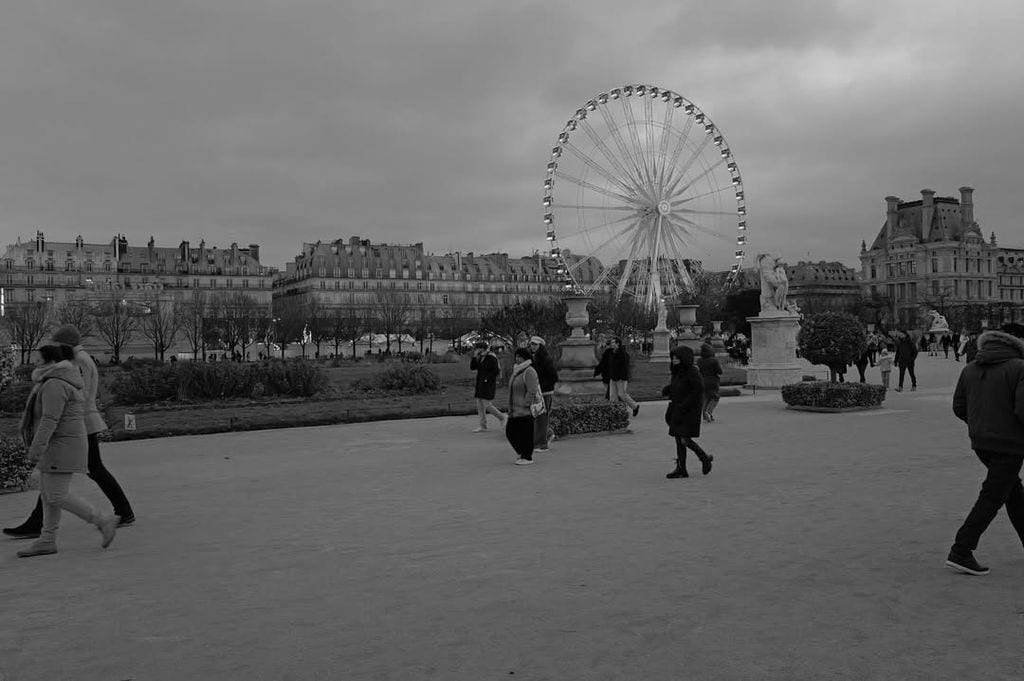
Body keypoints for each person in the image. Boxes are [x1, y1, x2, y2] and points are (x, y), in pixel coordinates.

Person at [4, 325, 135, 540]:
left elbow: (75, 395)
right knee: (76, 472)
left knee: (63, 474)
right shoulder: (80, 358)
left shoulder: (78, 361)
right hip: (82, 422)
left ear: (64, 344)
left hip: (80, 423)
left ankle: (40, 524)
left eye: (56, 344)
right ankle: (123, 511)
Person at [13, 342, 118, 557]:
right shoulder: (54, 380)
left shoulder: (55, 384)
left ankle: (102, 520)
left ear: (51, 361)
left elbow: (50, 420)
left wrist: (35, 449)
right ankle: (47, 540)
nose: (35, 362)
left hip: (62, 445)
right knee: (47, 495)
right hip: (59, 444)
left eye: (39, 358)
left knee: (57, 495)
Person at [946, 329, 1024, 575]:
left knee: (1012, 492)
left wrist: (979, 425)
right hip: (1010, 444)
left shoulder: (969, 368)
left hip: (981, 442)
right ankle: (961, 549)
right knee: (993, 496)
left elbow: (959, 406)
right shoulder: (1020, 367)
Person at [662, 346, 713, 479]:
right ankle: (681, 468)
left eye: (676, 358)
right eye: (672, 358)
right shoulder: (677, 372)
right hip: (677, 408)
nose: (673, 360)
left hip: (688, 410)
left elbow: (697, 390)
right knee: (679, 439)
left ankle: (704, 458)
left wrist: (684, 405)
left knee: (684, 439)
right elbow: (678, 386)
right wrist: (668, 389)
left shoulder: (692, 372)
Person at [506, 347, 541, 466]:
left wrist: (526, 403)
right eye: (516, 356)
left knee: (525, 434)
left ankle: (527, 456)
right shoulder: (517, 371)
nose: (517, 359)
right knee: (510, 432)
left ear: (526, 358)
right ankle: (522, 452)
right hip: (514, 409)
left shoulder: (529, 371)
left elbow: (532, 389)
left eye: (520, 357)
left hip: (524, 410)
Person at [528, 336, 558, 452]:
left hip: (545, 391)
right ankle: (546, 435)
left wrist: (541, 385)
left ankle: (543, 443)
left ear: (541, 346)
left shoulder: (546, 359)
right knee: (537, 416)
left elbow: (553, 377)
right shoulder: (532, 359)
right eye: (531, 344)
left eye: (535, 344)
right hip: (536, 391)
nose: (533, 346)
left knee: (542, 417)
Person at [469, 341, 505, 432]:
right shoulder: (480, 357)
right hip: (480, 384)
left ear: (482, 348)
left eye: (478, 348)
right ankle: (483, 425)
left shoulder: (491, 357)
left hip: (488, 384)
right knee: (480, 405)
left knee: (487, 405)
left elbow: (496, 370)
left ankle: (502, 417)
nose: (476, 350)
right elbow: (473, 367)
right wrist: (474, 357)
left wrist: (487, 378)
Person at [607, 337, 640, 417]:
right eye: (611, 343)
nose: (611, 344)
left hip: (621, 378)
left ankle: (634, 406)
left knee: (622, 394)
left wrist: (623, 377)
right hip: (613, 377)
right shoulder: (611, 353)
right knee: (612, 396)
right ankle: (615, 412)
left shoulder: (623, 354)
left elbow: (625, 367)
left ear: (617, 343)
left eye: (613, 342)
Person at [696, 343, 723, 422]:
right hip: (713, 381)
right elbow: (719, 371)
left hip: (703, 380)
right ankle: (708, 412)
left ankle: (705, 415)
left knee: (705, 398)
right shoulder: (714, 360)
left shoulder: (699, 360)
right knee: (715, 397)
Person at [593, 335, 613, 400]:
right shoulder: (607, 352)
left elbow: (602, 363)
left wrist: (597, 372)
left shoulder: (608, 352)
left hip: (609, 374)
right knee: (609, 390)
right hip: (608, 373)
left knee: (610, 390)